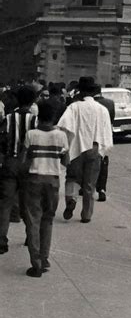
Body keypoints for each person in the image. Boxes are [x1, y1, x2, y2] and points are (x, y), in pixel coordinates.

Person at [21, 99, 69, 277]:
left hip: (34, 179)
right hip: (53, 181)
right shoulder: (61, 136)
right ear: (54, 116)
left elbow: (25, 161)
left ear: (39, 116)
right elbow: (66, 161)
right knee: (47, 220)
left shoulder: (31, 135)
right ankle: (45, 258)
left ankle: (36, 263)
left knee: (33, 220)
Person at [57, 77, 113, 223]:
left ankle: (72, 198)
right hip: (94, 148)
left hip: (77, 147)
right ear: (94, 92)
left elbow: (64, 126)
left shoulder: (74, 107)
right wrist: (103, 150)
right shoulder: (102, 110)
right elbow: (107, 131)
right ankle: (86, 215)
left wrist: (64, 147)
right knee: (90, 183)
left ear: (80, 92)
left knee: (72, 177)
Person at [0, 86, 37, 254]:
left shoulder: (8, 118)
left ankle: (1, 241)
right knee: (29, 204)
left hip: (10, 163)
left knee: (5, 204)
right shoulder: (36, 120)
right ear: (32, 102)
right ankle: (30, 237)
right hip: (29, 165)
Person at [93, 84, 115, 202]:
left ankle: (86, 186)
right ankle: (102, 189)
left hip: (91, 137)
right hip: (105, 136)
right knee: (104, 162)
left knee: (88, 162)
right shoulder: (110, 103)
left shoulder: (87, 104)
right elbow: (111, 121)